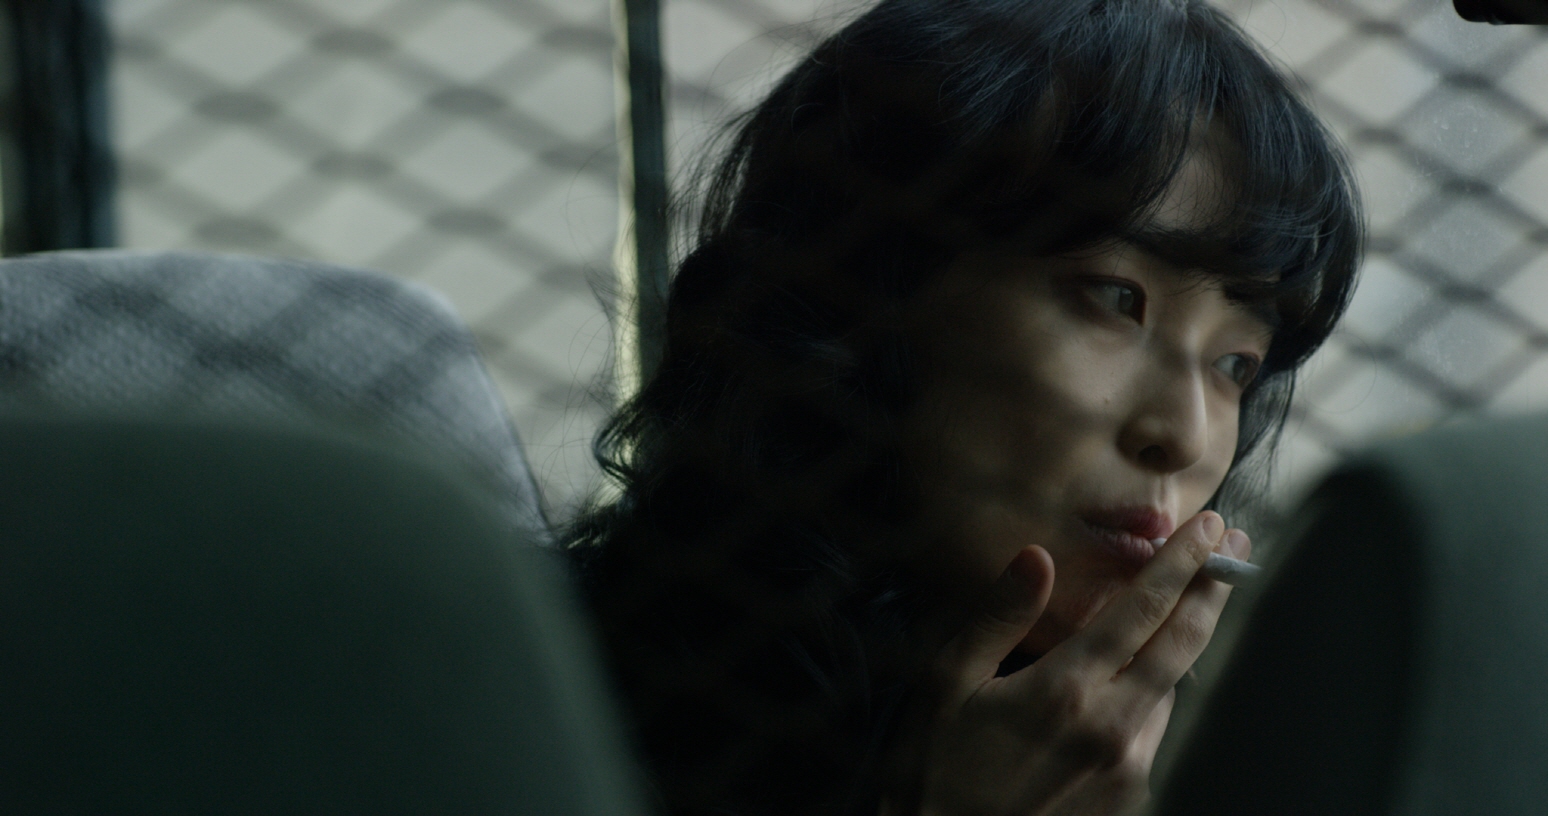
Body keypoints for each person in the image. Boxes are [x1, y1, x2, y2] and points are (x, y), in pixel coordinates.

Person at [566, 0, 1362, 814]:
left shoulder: (1227, 762)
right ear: (866, 293)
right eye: (1116, 299)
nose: (1186, 435)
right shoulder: (543, 707)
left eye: (1235, 364)